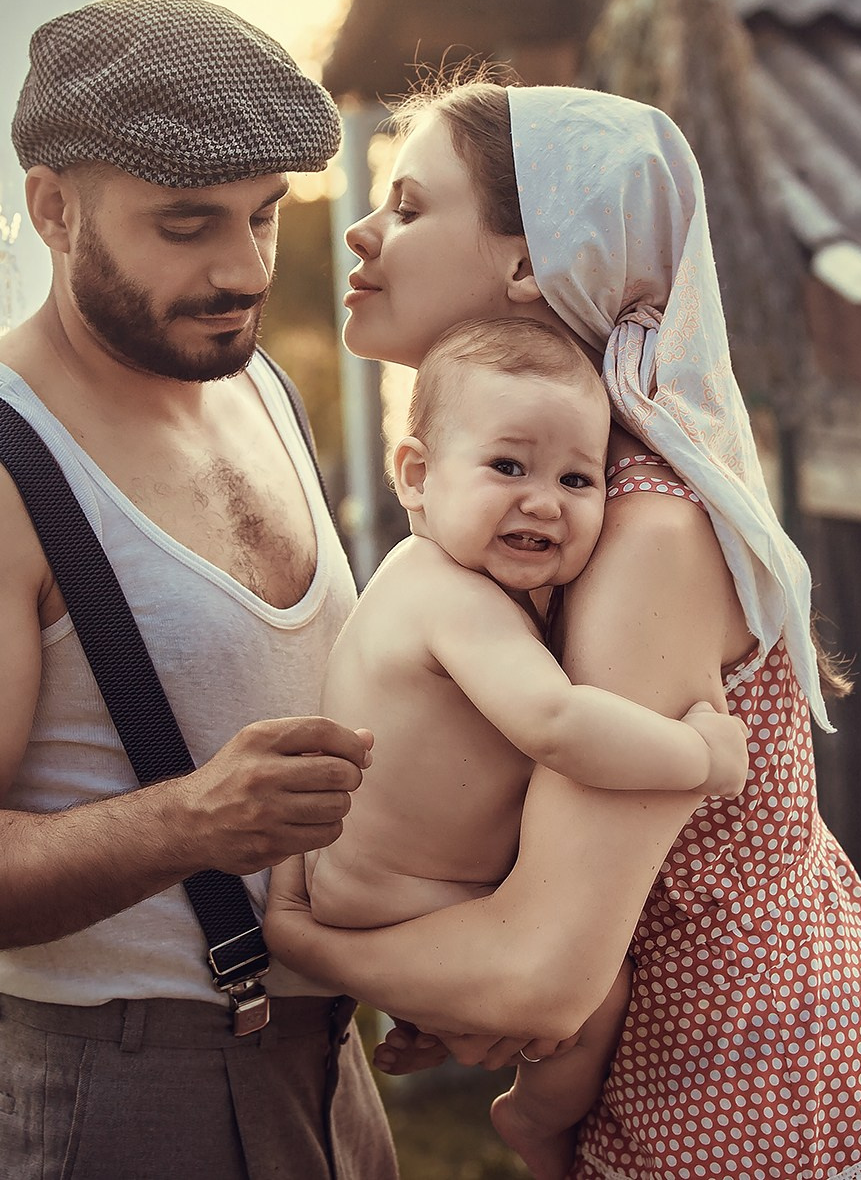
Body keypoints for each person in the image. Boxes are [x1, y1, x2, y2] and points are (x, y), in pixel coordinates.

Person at [264, 80, 861, 1179]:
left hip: (762, 1106)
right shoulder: (563, 508)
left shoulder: (636, 536)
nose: (359, 231)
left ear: (528, 263)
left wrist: (313, 945)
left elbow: (544, 973)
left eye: (407, 207)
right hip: (692, 1085)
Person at [0, 0, 396, 1180]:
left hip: (324, 1070)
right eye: (187, 224)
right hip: (119, 1094)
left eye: (264, 217)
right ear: (51, 206)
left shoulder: (255, 387)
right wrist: (193, 822)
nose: (242, 269)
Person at [305, 316, 750, 1177]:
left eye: (577, 478)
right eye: (508, 466)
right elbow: (559, 724)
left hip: (402, 886)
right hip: (397, 897)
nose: (544, 499)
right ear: (419, 477)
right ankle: (537, 1124)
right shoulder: (443, 593)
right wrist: (701, 759)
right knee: (594, 991)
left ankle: (444, 1023)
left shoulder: (479, 589)